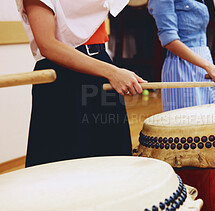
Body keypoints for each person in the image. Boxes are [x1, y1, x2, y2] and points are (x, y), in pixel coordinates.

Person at [17, 0, 146, 167]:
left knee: (111, 160)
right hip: (62, 77)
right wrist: (112, 72)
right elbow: (47, 44)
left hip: (100, 63)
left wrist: (110, 71)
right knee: (63, 164)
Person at [148, 0, 215, 112]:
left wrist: (208, 66)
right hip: (183, 65)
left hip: (204, 61)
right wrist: (208, 66)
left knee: (211, 120)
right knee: (189, 123)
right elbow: (169, 41)